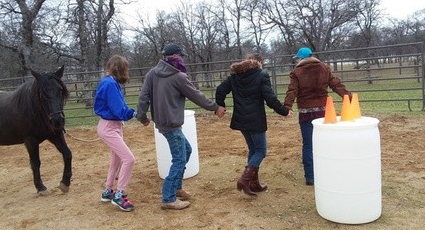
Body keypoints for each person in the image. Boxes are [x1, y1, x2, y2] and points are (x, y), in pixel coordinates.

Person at [136, 42, 225, 210]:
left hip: (163, 123)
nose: (183, 59)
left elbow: (143, 97)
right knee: (179, 160)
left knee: (187, 151)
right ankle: (168, 198)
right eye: (181, 56)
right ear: (175, 56)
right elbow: (196, 96)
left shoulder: (152, 74)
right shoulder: (178, 76)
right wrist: (215, 107)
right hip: (172, 125)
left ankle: (177, 188)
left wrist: (142, 116)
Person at [215, 53, 290, 196]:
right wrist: (284, 111)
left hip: (241, 119)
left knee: (253, 149)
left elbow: (220, 90)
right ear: (259, 63)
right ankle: (245, 179)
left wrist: (221, 105)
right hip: (256, 120)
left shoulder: (235, 76)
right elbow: (270, 98)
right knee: (261, 151)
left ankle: (253, 183)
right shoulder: (261, 75)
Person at [284, 47, 352, 186]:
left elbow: (292, 90)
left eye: (297, 58)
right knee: (325, 142)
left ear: (301, 58)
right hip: (323, 111)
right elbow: (336, 84)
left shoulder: (297, 72)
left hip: (305, 112)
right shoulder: (324, 68)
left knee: (308, 144)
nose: (296, 60)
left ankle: (310, 177)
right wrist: (348, 97)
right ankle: (327, 171)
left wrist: (287, 106)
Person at [94, 55, 136, 212]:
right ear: (120, 69)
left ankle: (108, 191)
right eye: (125, 68)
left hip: (113, 125)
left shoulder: (109, 82)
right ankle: (120, 194)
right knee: (129, 159)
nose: (127, 71)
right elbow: (119, 110)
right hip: (109, 127)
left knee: (116, 161)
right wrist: (133, 113)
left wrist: (128, 112)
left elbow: (119, 106)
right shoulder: (110, 84)